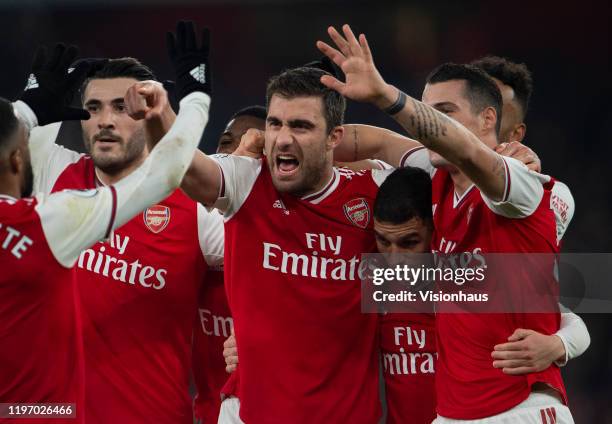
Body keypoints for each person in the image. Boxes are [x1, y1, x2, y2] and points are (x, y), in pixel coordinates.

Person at [317, 24, 575, 422]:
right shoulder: (437, 175)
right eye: (427, 111)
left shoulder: (522, 182)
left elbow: (576, 299)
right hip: (453, 414)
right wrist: (278, 144)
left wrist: (386, 95)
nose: (429, 125)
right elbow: (377, 142)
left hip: (518, 408)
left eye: (445, 113)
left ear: (489, 119)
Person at [16, 22, 223, 423]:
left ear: (148, 115)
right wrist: (31, 104)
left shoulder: (196, 210)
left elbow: (279, 270)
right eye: (93, 108)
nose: (104, 121)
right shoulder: (54, 175)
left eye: (122, 107)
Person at [192, 105, 266, 424]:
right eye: (226, 143)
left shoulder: (307, 230)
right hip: (211, 410)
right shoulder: (184, 219)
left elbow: (424, 287)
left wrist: (263, 339)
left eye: (251, 146)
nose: (235, 154)